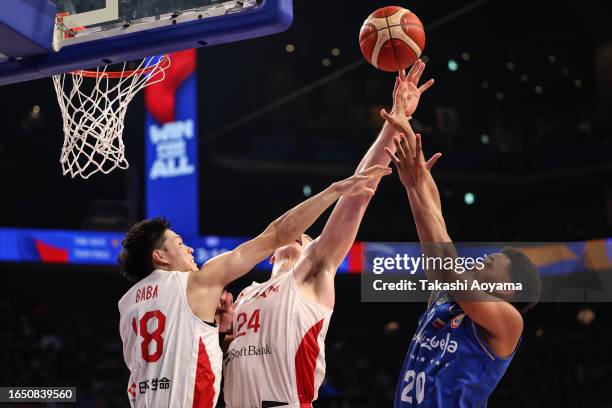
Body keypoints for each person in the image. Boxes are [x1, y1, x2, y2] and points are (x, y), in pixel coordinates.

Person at [222, 60, 434, 408]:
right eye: (297, 234)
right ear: (271, 254)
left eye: (307, 236)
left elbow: (357, 197)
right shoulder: (244, 294)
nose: (300, 236)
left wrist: (396, 124)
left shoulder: (313, 270)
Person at [116, 165, 390, 408]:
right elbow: (277, 234)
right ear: (159, 256)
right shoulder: (198, 281)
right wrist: (334, 190)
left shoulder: (128, 305)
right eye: (178, 243)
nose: (188, 248)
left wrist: (216, 334)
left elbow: (171, 354)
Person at [383, 121, 542, 406]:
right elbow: (436, 223)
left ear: (507, 288)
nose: (481, 261)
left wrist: (416, 186)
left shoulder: (509, 322)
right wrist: (407, 129)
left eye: (491, 262)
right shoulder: (444, 300)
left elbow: (448, 265)